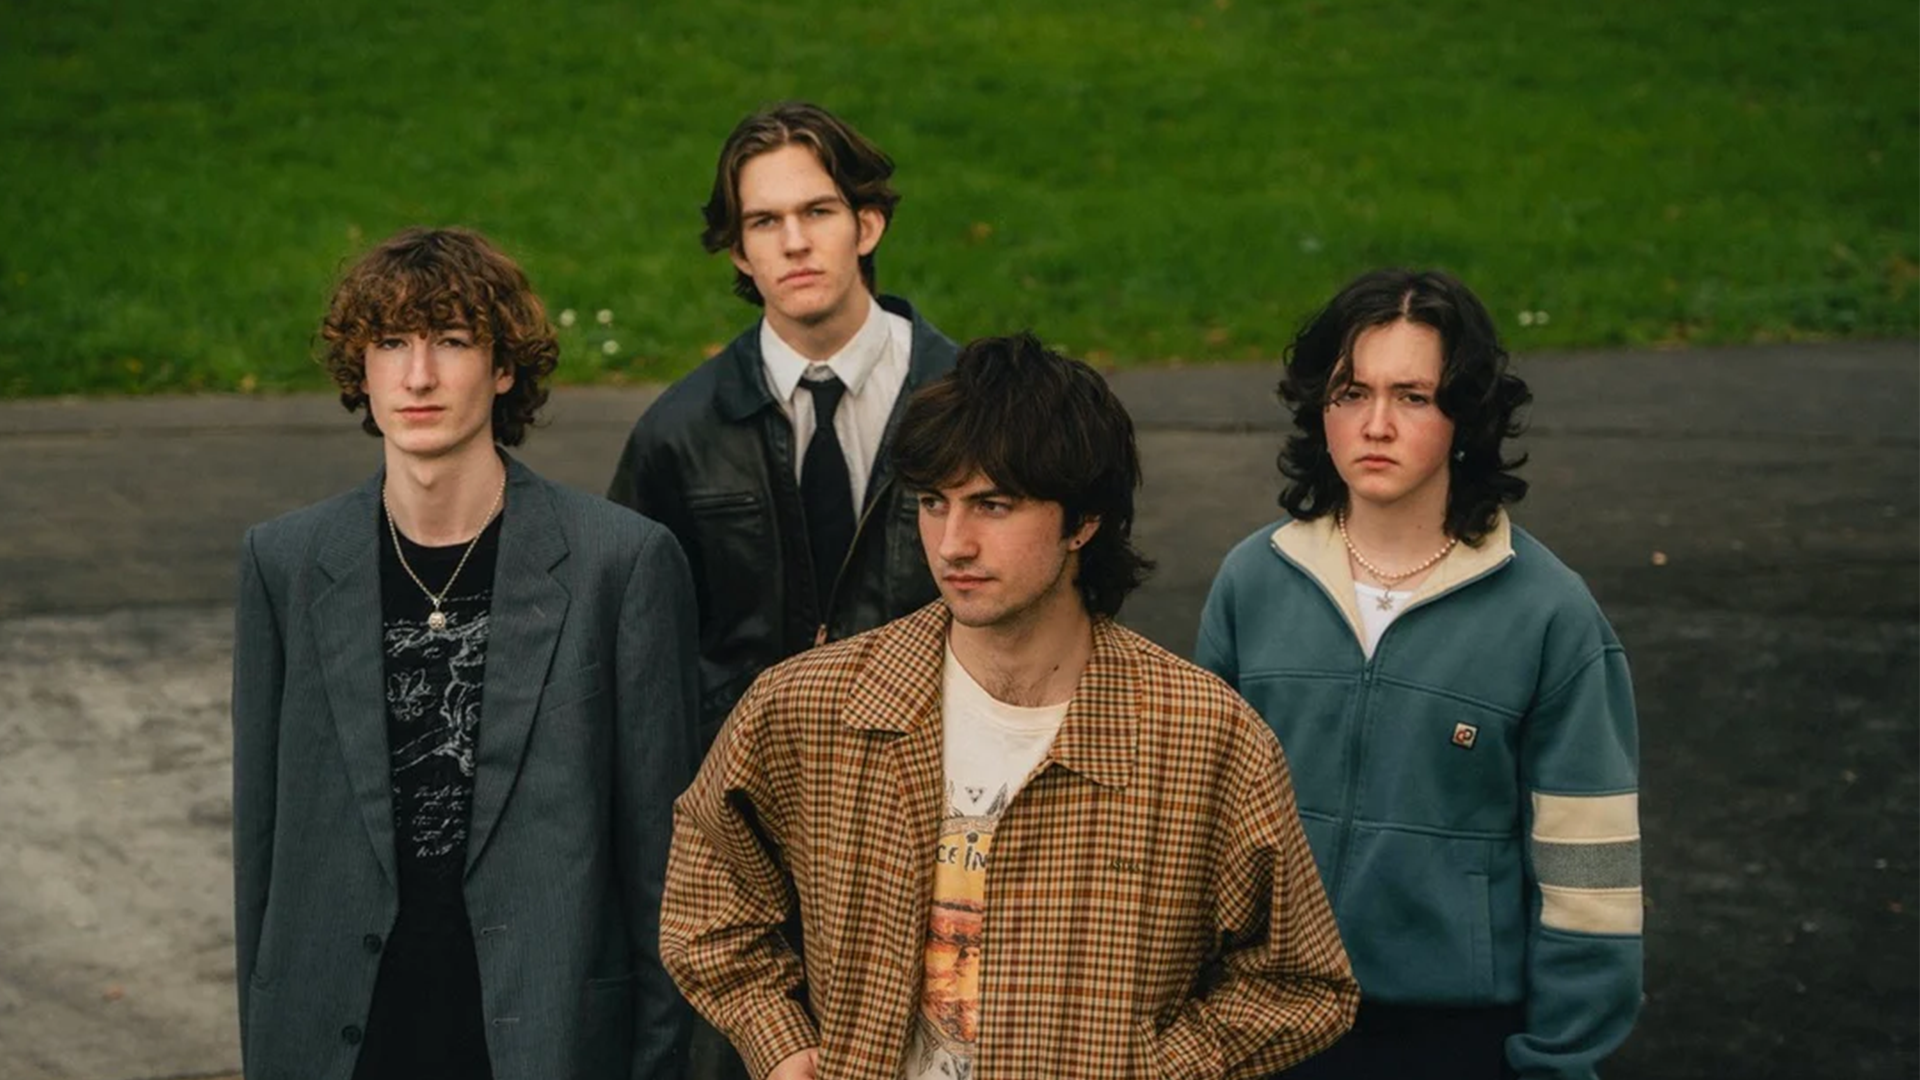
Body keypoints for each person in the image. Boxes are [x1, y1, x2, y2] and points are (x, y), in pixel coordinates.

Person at [662, 332, 1359, 1080]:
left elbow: (1302, 985)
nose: (953, 543)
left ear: (1084, 521)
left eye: (993, 505)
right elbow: (708, 893)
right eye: (934, 503)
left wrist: (1151, 1067)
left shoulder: (1203, 737)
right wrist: (781, 1044)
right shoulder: (812, 705)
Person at [230, 227, 698, 1079]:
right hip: (344, 1038)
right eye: (391, 344)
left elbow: (664, 866)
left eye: (450, 342)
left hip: (545, 1036)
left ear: (504, 366)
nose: (417, 376)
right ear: (359, 369)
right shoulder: (285, 564)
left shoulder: (619, 565)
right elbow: (261, 851)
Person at [1195, 268, 1643, 1078]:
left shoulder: (1548, 614)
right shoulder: (1252, 583)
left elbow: (1592, 874)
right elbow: (1197, 824)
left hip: (1456, 1040)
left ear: (1464, 416)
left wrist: (1559, 1062)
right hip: (1265, 1024)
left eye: (1412, 396)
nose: (1375, 424)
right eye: (1350, 393)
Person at [607, 100, 959, 749]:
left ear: (868, 225)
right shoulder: (678, 434)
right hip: (751, 787)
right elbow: (636, 648)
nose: (794, 242)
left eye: (818, 211)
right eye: (765, 221)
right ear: (738, 251)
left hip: (942, 770)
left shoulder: (972, 406)